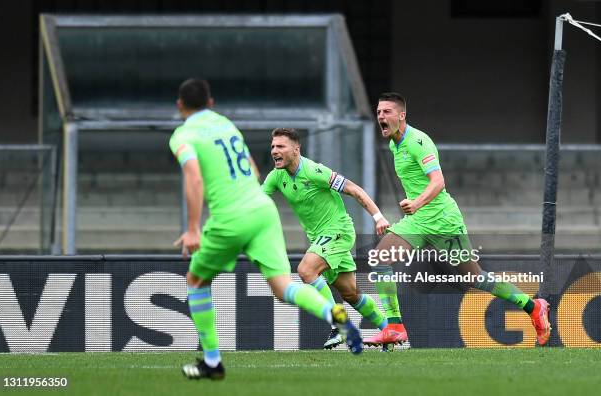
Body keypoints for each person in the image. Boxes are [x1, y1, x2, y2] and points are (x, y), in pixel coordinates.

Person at [170, 79, 363, 381]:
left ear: (180, 106)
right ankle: (333, 314)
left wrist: (193, 228)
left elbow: (193, 178)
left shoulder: (183, 134)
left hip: (230, 217)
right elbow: (252, 167)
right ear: (211, 103)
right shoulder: (225, 125)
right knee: (284, 287)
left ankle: (212, 362)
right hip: (263, 212)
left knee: (195, 282)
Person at [364, 92, 551, 347]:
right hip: (418, 221)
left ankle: (533, 306)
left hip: (444, 221)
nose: (381, 117)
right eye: (378, 113)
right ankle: (395, 327)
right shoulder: (394, 144)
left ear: (401, 115)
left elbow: (439, 182)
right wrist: (416, 209)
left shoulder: (418, 142)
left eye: (386, 112)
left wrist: (417, 202)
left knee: (474, 278)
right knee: (381, 258)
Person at [263, 127, 394, 349]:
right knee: (351, 294)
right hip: (320, 239)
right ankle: (390, 332)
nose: (275, 151)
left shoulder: (315, 171)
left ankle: (339, 325)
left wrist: (378, 216)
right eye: (273, 146)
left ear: (296, 149)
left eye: (281, 146)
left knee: (306, 270)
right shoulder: (276, 177)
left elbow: (354, 189)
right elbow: (258, 203)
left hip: (338, 231)